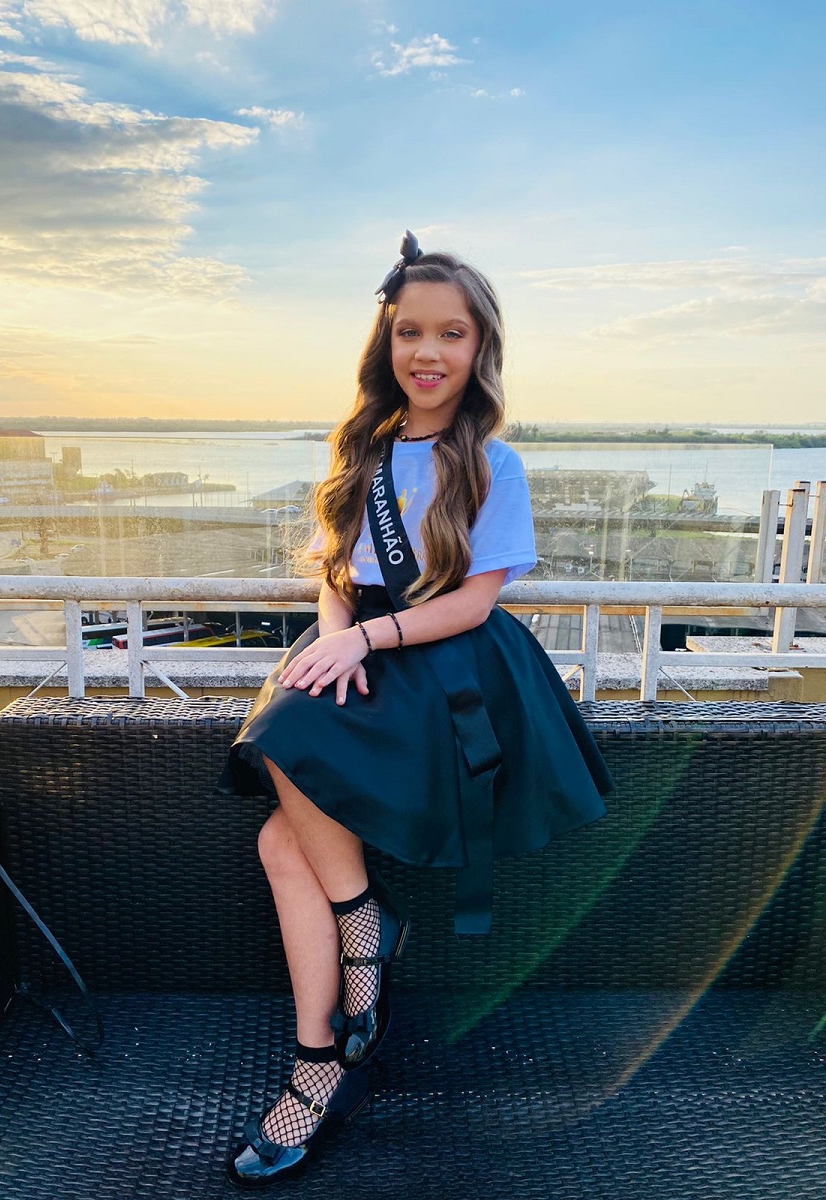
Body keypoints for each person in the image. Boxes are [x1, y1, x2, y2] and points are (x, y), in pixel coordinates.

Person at [222, 231, 614, 1188]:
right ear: (385, 342)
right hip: (361, 648)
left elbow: (475, 603)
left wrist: (366, 642)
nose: (427, 351)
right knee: (280, 821)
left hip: (444, 664)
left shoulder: (492, 462)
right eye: (409, 332)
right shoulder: (360, 449)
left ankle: (352, 967)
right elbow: (335, 577)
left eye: (451, 333)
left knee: (281, 752)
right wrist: (333, 640)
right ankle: (325, 1048)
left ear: (480, 349)